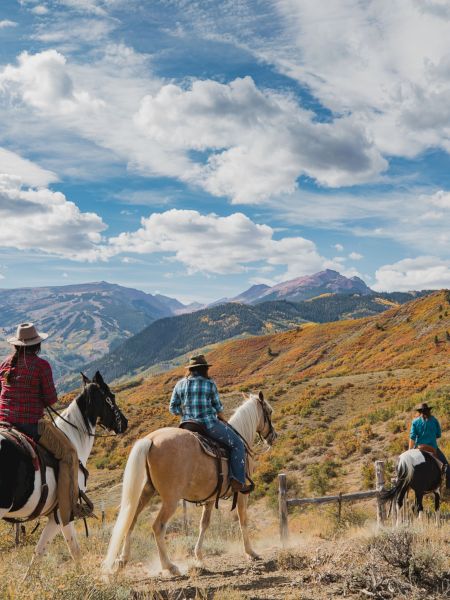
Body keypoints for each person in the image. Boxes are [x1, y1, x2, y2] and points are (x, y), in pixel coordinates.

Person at [0, 322, 87, 525]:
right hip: (30, 424)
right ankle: (68, 510)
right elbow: (50, 399)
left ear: (17, 345)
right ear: (36, 345)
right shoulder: (41, 366)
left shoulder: (5, 364)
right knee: (69, 454)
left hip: (4, 422)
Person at [169, 354, 251, 493]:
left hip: (187, 425)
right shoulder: (209, 383)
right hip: (208, 425)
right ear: (204, 369)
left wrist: (184, 414)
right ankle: (237, 480)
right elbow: (218, 407)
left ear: (190, 369)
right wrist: (223, 419)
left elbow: (173, 408)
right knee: (237, 444)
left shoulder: (180, 384)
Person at [409, 402, 450, 489]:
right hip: (432, 448)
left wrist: (409, 451)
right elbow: (438, 435)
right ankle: (448, 487)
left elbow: (412, 437)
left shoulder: (415, 421)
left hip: (419, 448)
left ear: (420, 412)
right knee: (446, 465)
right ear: (429, 411)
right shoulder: (434, 420)